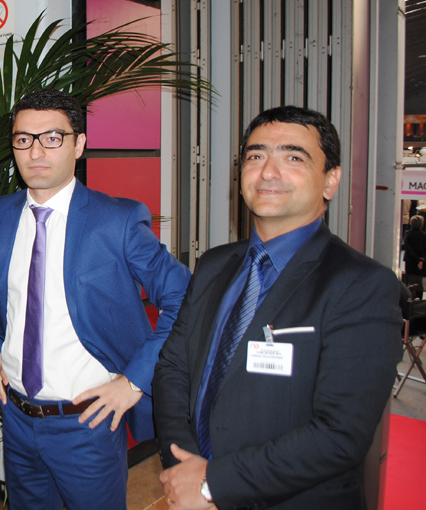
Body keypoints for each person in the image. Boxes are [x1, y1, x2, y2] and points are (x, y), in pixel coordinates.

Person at [154, 106, 402, 510]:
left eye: (293, 158)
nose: (268, 172)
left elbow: (340, 434)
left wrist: (213, 484)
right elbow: (173, 369)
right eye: (255, 156)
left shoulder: (361, 284)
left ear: (331, 181)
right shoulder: (215, 264)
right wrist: (182, 464)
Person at [0, 89, 191, 510]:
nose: (35, 151)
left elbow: (184, 297)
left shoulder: (116, 220)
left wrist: (134, 382)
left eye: (52, 137)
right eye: (23, 139)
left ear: (78, 145)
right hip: (17, 418)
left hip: (86, 424)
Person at [403, 214, 426, 291]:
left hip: (410, 260)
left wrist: (416, 257)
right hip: (421, 262)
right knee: (419, 282)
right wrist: (421, 259)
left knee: (410, 281)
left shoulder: (408, 233)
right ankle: (419, 296)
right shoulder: (424, 235)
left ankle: (411, 296)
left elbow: (408, 248)